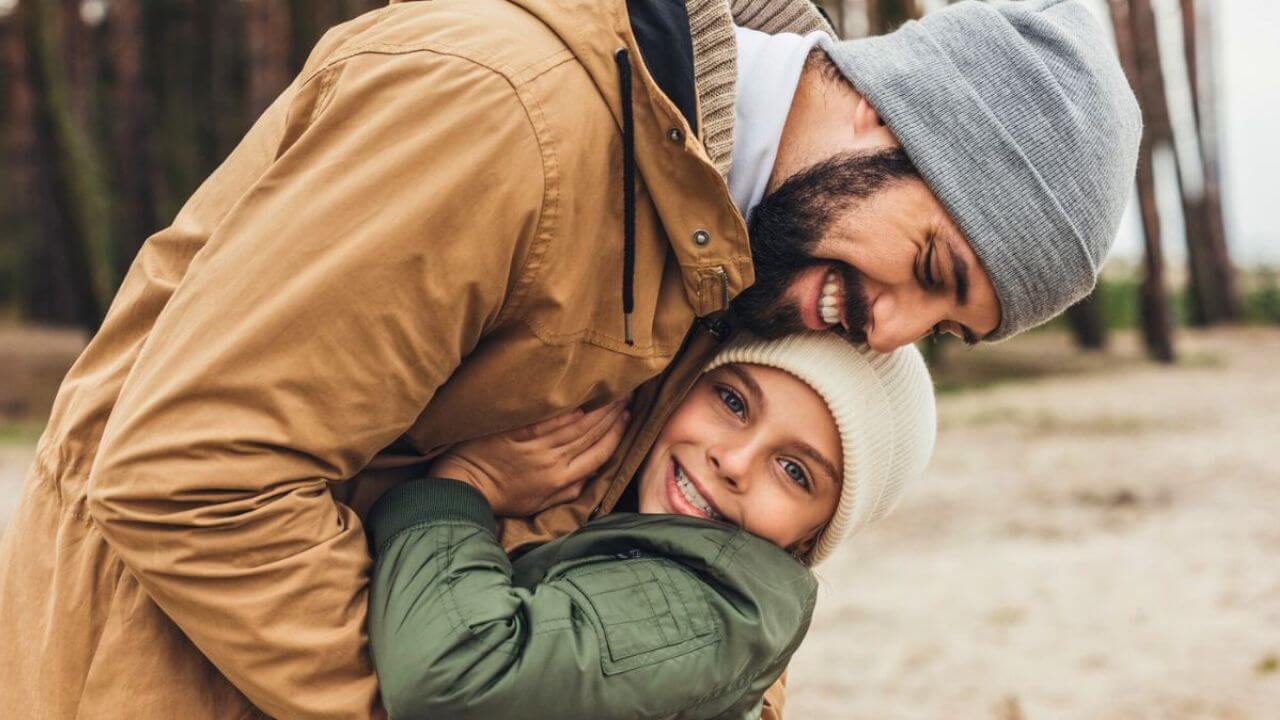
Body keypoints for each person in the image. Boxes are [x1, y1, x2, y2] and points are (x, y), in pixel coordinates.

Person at [0, 0, 1139, 717]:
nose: (885, 331)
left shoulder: (743, 233)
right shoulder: (501, 113)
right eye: (929, 267)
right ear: (886, 121)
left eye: (942, 327)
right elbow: (189, 474)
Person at [365, 332, 936, 719]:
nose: (733, 462)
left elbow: (454, 677)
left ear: (812, 536)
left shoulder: (721, 604)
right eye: (734, 402)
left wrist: (461, 487)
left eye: (793, 471)